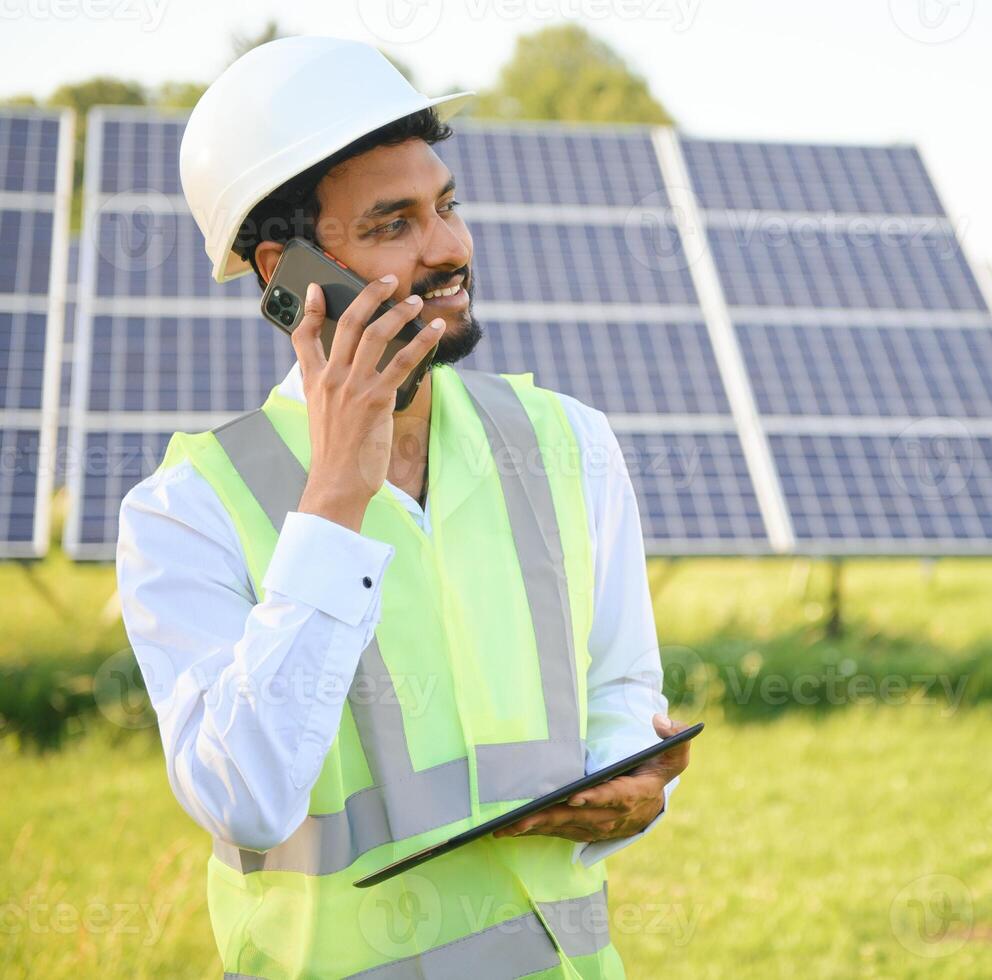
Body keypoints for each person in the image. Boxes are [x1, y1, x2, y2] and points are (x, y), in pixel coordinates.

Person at [114, 35, 691, 979]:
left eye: (447, 206)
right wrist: (339, 490)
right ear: (285, 273)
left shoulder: (568, 442)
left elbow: (621, 692)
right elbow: (246, 798)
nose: (451, 248)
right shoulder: (185, 512)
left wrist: (630, 787)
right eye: (394, 224)